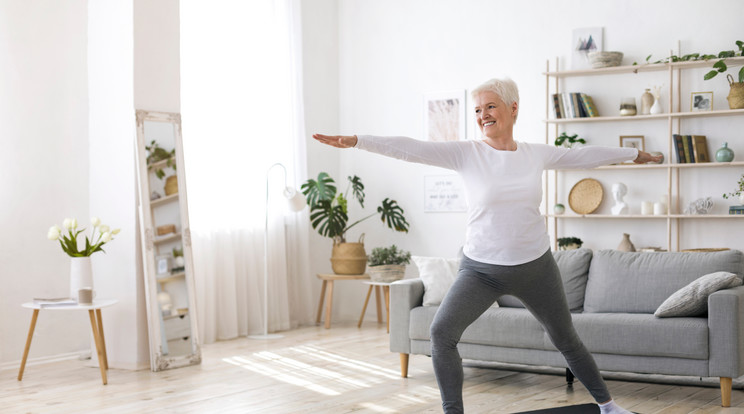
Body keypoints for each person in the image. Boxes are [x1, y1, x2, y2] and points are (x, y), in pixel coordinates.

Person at [313, 77, 661, 414]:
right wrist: (357, 141)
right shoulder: (466, 154)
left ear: (513, 108)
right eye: (477, 110)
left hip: (536, 268)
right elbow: (410, 149)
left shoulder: (534, 154)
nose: (482, 116)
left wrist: (633, 154)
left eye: (490, 106)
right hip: (481, 271)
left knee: (566, 339)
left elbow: (584, 155)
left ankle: (609, 406)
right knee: (441, 333)